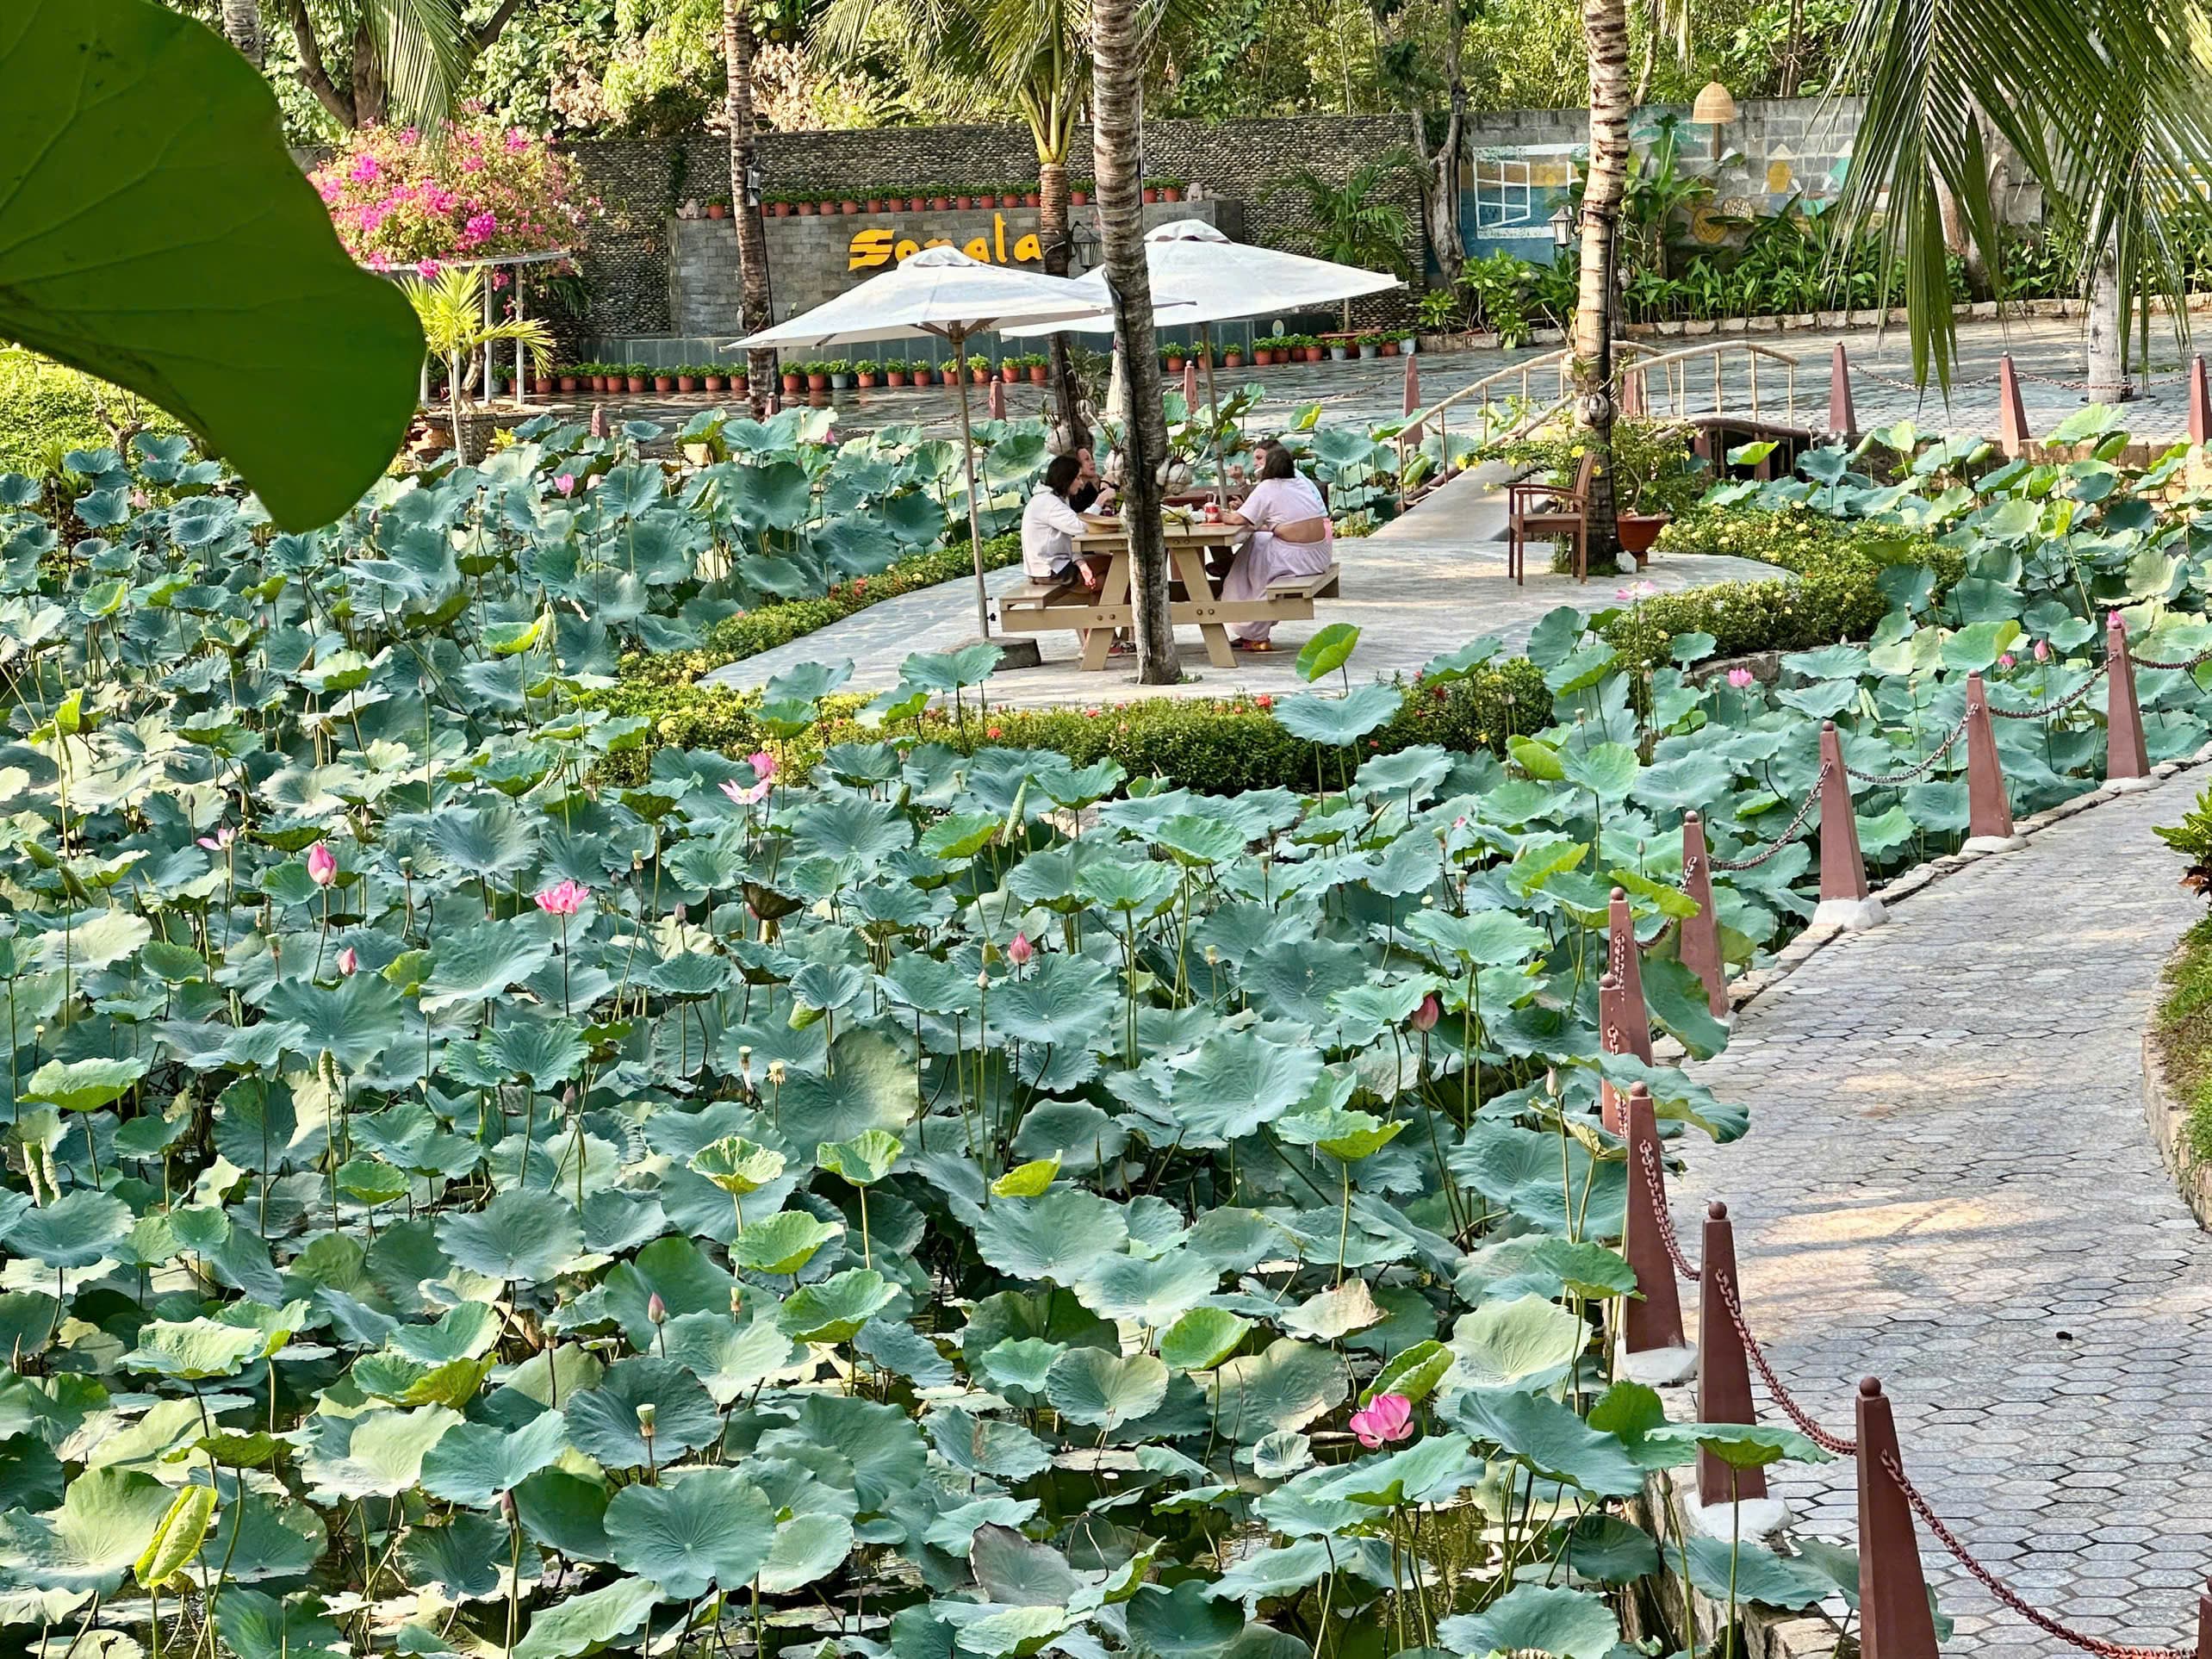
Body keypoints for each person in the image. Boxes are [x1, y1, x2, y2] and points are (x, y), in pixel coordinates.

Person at [1221, 444, 1333, 649]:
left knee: (1252, 555)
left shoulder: (1268, 486)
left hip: (1297, 557)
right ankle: (1249, 615)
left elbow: (1238, 520)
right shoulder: (1299, 482)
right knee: (1259, 542)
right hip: (1319, 554)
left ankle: (1250, 625)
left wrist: (1219, 515)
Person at [1020, 453, 1127, 653]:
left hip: (1058, 565)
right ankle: (1100, 641)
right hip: (1049, 571)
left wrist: (1081, 563)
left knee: (1107, 581)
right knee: (1117, 570)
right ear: (1066, 479)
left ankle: (1098, 643)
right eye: (1077, 478)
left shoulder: (1055, 499)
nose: (1080, 483)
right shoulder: (1047, 503)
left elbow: (1067, 537)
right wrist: (1100, 500)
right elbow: (1079, 526)